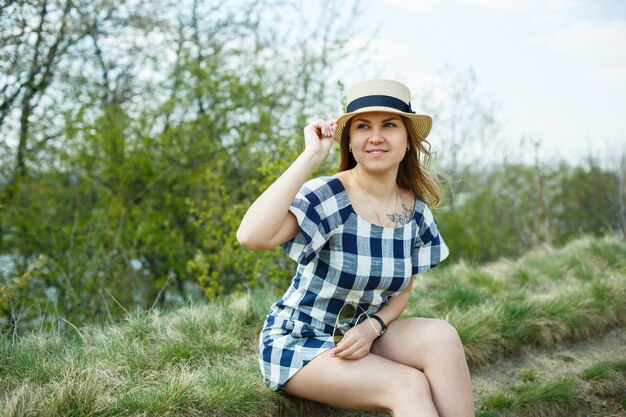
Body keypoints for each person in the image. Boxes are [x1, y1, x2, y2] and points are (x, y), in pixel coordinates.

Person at [237, 79, 475, 417]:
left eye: (389, 125)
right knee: (407, 384)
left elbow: (402, 291)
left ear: (408, 141)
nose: (376, 136)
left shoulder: (415, 211)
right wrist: (310, 157)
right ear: (350, 141)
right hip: (302, 340)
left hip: (366, 332)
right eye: (363, 126)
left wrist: (372, 326)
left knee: (442, 337)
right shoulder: (329, 196)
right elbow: (251, 236)